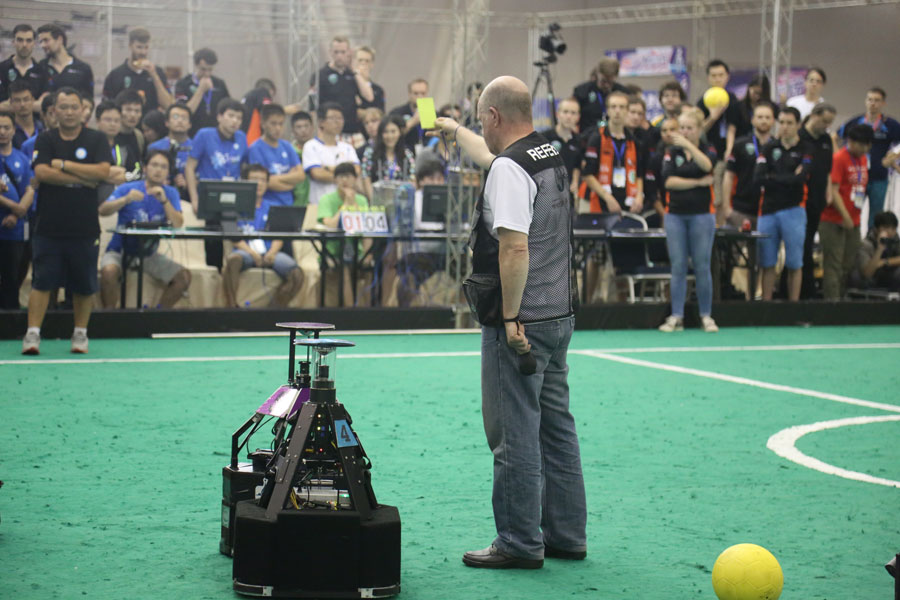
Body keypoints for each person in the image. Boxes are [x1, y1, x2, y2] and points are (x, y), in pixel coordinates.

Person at [432, 75, 584, 569]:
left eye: (479, 119)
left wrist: (512, 318)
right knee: (557, 427)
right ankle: (565, 534)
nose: (481, 128)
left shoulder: (509, 169)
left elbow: (515, 246)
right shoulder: (547, 153)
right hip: (559, 313)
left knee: (513, 433)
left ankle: (519, 541)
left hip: (521, 321)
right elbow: (490, 157)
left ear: (495, 116)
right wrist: (456, 129)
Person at [23, 87, 110, 355]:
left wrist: (62, 165)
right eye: (64, 108)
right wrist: (84, 179)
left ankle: (80, 334)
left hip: (84, 227)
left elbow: (104, 171)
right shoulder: (45, 140)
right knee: (42, 282)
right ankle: (33, 335)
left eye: (74, 107)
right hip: (49, 226)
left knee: (84, 284)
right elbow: (41, 173)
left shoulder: (96, 139)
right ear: (54, 111)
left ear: (83, 110)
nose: (69, 112)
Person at [98, 150, 191, 309]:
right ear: (145, 168)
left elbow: (177, 224)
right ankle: (110, 317)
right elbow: (103, 210)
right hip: (120, 250)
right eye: (154, 165)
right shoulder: (128, 188)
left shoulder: (170, 193)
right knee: (109, 272)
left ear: (168, 172)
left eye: (163, 167)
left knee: (183, 278)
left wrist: (164, 201)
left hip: (148, 254)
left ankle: (156, 318)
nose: (158, 170)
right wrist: (125, 199)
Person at [659, 108, 719, 333]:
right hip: (675, 215)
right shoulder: (670, 152)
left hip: (702, 215)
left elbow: (707, 166)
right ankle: (677, 316)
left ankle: (706, 315)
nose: (683, 132)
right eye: (681, 128)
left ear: (699, 129)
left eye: (688, 128)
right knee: (678, 266)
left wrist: (689, 146)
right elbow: (669, 182)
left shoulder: (708, 148)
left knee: (702, 265)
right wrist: (699, 183)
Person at [222, 163, 305, 308]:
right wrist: (252, 253)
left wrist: (272, 253)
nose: (259, 184)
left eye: (262, 180)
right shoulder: (234, 206)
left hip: (270, 253)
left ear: (267, 184)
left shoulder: (274, 206)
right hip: (245, 253)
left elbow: (279, 235)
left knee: (297, 275)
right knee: (233, 260)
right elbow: (234, 237)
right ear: (245, 182)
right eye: (254, 179)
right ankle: (232, 308)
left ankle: (272, 311)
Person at [753, 107, 813, 301]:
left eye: (789, 123)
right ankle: (767, 304)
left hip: (794, 210)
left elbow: (801, 179)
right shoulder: (769, 148)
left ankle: (793, 306)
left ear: (798, 125)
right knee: (767, 262)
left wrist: (774, 177)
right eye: (782, 123)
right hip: (768, 211)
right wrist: (788, 177)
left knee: (795, 262)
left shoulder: (806, 149)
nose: (785, 127)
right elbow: (758, 178)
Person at [185, 97, 247, 270]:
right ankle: (216, 275)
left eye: (239, 118)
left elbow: (244, 167)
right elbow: (190, 167)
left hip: (233, 197)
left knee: (237, 237)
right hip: (209, 197)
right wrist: (195, 198)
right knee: (213, 245)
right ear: (219, 117)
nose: (235, 121)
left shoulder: (242, 138)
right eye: (231, 116)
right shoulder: (205, 135)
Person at [819, 123, 873, 300]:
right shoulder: (839, 158)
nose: (865, 148)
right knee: (833, 264)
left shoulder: (863, 159)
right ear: (850, 141)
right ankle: (832, 305)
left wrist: (853, 218)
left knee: (848, 264)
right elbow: (833, 191)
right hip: (834, 220)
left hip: (854, 220)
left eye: (868, 145)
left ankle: (841, 299)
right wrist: (845, 216)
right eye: (862, 144)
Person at [837, 87, 900, 230]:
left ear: (883, 103)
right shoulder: (856, 121)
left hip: (879, 178)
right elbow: (835, 137)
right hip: (857, 177)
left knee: (876, 216)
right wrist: (840, 159)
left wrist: (893, 157)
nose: (873, 103)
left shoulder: (889, 124)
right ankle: (853, 243)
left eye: (877, 100)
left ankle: (871, 247)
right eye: (870, 99)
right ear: (866, 101)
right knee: (853, 211)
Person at [316, 161, 372, 306]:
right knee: (346, 266)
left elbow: (365, 227)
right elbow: (331, 225)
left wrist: (368, 254)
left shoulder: (362, 200)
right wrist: (346, 204)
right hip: (332, 251)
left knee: (371, 268)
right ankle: (350, 312)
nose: (344, 180)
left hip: (356, 249)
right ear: (335, 180)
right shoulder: (326, 200)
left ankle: (370, 312)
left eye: (348, 176)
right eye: (340, 177)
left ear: (355, 179)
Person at [581, 90, 644, 214]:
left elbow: (639, 175)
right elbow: (587, 174)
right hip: (599, 199)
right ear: (607, 110)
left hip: (626, 201)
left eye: (622, 107)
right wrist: (607, 198)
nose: (617, 111)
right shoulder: (596, 137)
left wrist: (639, 196)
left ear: (627, 111)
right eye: (613, 107)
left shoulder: (634, 141)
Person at [396, 158, 446, 307]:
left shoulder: (450, 199)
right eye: (431, 178)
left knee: (469, 270)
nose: (436, 183)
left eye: (439, 178)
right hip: (418, 252)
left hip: (445, 252)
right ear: (422, 181)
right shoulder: (412, 198)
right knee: (408, 273)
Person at [799, 103, 837, 299]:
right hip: (799, 200)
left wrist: (828, 192)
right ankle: (805, 291)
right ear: (813, 115)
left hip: (817, 200)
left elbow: (828, 170)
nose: (826, 126)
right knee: (802, 246)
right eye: (824, 121)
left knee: (809, 244)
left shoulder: (826, 140)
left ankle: (808, 289)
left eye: (829, 123)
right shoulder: (800, 137)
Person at [697, 59, 741, 227]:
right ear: (708, 78)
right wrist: (713, 116)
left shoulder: (733, 99)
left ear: (727, 77)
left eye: (721, 75)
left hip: (727, 155)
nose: (717, 79)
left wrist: (730, 150)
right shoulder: (704, 100)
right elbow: (699, 129)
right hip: (710, 155)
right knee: (714, 196)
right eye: (714, 76)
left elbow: (732, 128)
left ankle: (721, 229)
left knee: (725, 195)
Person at [0, 109, 35, 309]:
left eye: (6, 127)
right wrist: (13, 207)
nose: (2, 132)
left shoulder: (22, 158)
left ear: (14, 130)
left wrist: (18, 211)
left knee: (14, 277)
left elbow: (30, 188)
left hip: (17, 229)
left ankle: (11, 324)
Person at [724, 101, 776, 230]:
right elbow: (729, 176)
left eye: (767, 117)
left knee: (762, 250)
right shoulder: (740, 144)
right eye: (760, 117)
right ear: (752, 120)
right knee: (735, 249)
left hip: (768, 211)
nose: (764, 121)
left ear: (773, 121)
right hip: (740, 209)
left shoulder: (777, 146)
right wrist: (726, 208)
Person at [247, 103, 305, 210]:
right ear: (263, 123)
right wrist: (290, 184)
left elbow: (301, 175)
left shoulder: (287, 146)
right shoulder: (255, 149)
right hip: (266, 206)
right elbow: (265, 183)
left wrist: (275, 178)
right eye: (273, 124)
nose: (278, 128)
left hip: (289, 205)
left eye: (281, 124)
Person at [314, 36, 374, 139]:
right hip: (329, 132)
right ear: (330, 52)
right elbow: (313, 106)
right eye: (336, 52)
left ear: (349, 52)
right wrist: (317, 130)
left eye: (343, 52)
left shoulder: (353, 74)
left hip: (352, 131)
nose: (339, 56)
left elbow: (369, 97)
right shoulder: (321, 75)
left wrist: (355, 71)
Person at [101, 27, 173, 113]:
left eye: (146, 47)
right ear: (130, 46)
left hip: (149, 125)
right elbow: (106, 107)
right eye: (139, 47)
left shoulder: (158, 72)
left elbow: (168, 105)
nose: (143, 52)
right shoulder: (115, 75)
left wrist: (154, 75)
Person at [302, 102, 360, 206]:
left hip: (346, 203)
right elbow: (317, 174)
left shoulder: (347, 147)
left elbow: (356, 171)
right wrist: (345, 175)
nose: (338, 122)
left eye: (340, 118)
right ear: (321, 122)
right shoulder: (311, 146)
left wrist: (328, 168)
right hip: (319, 203)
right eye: (333, 118)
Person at [174, 47, 230, 136]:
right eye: (203, 69)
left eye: (210, 69)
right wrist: (200, 90)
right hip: (192, 134)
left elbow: (227, 109)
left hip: (215, 134)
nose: (207, 74)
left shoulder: (219, 84)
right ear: (196, 65)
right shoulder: (183, 84)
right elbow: (183, 113)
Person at [360, 114, 416, 201]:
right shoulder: (370, 153)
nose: (390, 136)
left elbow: (412, 179)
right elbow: (366, 178)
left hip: (401, 202)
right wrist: (374, 202)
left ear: (399, 133)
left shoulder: (407, 154)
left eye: (393, 131)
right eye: (386, 132)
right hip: (377, 201)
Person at [146, 102, 193, 199]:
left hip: (188, 197)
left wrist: (190, 183)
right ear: (167, 122)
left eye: (184, 118)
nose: (180, 121)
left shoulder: (196, 147)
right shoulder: (154, 147)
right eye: (175, 117)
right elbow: (145, 175)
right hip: (158, 195)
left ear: (190, 124)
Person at [573, 57, 629, 134]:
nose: (606, 85)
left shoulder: (623, 93)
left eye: (610, 82)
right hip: (587, 134)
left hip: (613, 136)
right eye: (603, 81)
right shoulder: (582, 91)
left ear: (615, 76)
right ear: (598, 73)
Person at [538, 97, 582, 197]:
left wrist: (575, 182)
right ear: (558, 114)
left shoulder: (578, 140)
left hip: (567, 195)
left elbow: (577, 165)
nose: (569, 116)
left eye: (573, 113)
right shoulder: (543, 138)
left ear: (578, 117)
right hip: (547, 194)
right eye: (565, 112)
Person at [36, 24, 94, 99]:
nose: (42, 45)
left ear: (60, 39)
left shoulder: (83, 68)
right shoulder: (41, 67)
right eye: (40, 42)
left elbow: (89, 99)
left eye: (46, 40)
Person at [850, 211, 900, 291]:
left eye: (893, 228)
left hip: (888, 276)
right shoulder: (866, 245)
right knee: (855, 276)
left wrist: (885, 261)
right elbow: (867, 273)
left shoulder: (895, 239)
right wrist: (880, 248)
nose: (891, 231)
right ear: (878, 229)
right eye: (887, 227)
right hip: (871, 278)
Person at [0, 24, 45, 108]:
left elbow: (43, 106)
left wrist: (11, 106)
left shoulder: (42, 71)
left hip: (33, 120)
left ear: (34, 44)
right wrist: (31, 105)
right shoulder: (2, 69)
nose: (24, 45)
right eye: (20, 40)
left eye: (28, 40)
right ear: (13, 42)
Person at [113, 89, 145, 183]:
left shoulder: (139, 135)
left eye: (137, 111)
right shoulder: (110, 135)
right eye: (128, 110)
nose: (133, 115)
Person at [389, 78, 429, 151]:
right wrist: (413, 121)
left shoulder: (433, 113)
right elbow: (390, 136)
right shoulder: (397, 113)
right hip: (404, 152)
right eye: (416, 93)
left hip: (427, 154)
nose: (419, 96)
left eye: (423, 93)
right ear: (409, 94)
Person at [736, 73, 774, 138]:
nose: (756, 96)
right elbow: (732, 129)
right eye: (754, 92)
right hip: (742, 140)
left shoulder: (771, 107)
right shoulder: (738, 106)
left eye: (759, 93)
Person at [290, 110, 314, 206]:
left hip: (315, 201)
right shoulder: (289, 152)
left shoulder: (319, 150)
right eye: (299, 127)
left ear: (312, 128)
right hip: (295, 201)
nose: (303, 130)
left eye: (306, 126)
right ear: (292, 130)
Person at [9, 80, 42, 149]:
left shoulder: (43, 129)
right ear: (11, 103)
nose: (22, 104)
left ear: (33, 100)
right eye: (17, 100)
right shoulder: (7, 132)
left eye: (26, 99)